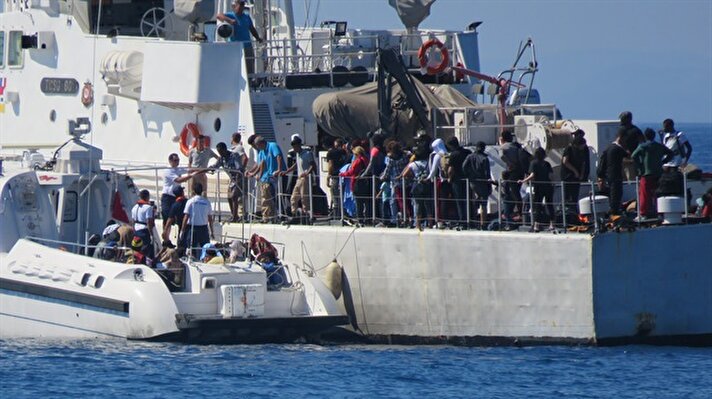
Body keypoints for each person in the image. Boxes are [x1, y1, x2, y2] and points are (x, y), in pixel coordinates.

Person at [632, 128, 674, 219]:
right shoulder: (659, 146)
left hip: (647, 174)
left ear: (645, 136)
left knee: (644, 194)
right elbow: (671, 153)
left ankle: (643, 213)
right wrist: (663, 162)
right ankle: (658, 211)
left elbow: (634, 155)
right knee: (658, 193)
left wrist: (640, 166)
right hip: (659, 173)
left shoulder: (643, 146)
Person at [217, 0, 263, 75]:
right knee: (236, 67)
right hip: (235, 47)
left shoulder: (246, 17)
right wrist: (229, 20)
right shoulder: (230, 15)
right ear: (235, 5)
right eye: (241, 4)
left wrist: (257, 38)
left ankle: (250, 82)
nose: (242, 6)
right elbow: (219, 16)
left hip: (247, 46)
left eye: (243, 4)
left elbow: (252, 29)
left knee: (249, 67)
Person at [246, 135, 285, 223]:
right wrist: (252, 172)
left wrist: (279, 169)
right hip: (267, 177)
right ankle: (269, 217)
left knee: (275, 196)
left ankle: (279, 215)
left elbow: (278, 156)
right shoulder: (262, 152)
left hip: (276, 176)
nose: (256, 148)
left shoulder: (272, 146)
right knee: (268, 197)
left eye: (257, 146)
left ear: (261, 143)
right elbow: (260, 164)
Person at [281, 135, 316, 221]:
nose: (294, 148)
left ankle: (307, 215)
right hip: (298, 179)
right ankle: (294, 214)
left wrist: (307, 173)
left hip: (305, 178)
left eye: (295, 146)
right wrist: (287, 171)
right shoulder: (298, 154)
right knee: (294, 197)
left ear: (299, 145)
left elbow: (313, 165)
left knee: (304, 198)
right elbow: (296, 165)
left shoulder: (307, 154)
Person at [520, 147, 555, 232]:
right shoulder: (547, 163)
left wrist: (523, 181)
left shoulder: (533, 163)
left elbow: (532, 175)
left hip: (538, 187)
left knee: (537, 206)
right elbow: (551, 176)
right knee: (550, 205)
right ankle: (552, 224)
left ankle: (536, 225)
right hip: (548, 186)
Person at [398, 146, 432, 230]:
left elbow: (404, 175)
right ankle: (430, 223)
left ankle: (418, 224)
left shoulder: (413, 164)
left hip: (417, 185)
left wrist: (412, 177)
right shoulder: (428, 163)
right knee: (428, 204)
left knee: (418, 205)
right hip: (427, 184)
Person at [597, 128, 628, 215]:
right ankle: (614, 213)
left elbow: (603, 161)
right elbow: (629, 156)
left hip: (608, 175)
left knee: (612, 193)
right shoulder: (618, 149)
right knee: (616, 194)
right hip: (616, 175)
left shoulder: (608, 148)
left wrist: (601, 175)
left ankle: (612, 210)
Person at [211, 142, 245, 222]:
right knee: (229, 197)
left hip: (238, 177)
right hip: (232, 179)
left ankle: (235, 217)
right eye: (219, 152)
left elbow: (239, 168)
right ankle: (233, 215)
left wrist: (237, 181)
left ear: (225, 149)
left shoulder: (234, 156)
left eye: (221, 151)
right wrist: (210, 169)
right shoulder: (221, 158)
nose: (220, 153)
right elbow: (215, 166)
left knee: (234, 196)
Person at [462, 141, 492, 229]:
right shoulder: (484, 158)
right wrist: (488, 183)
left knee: (474, 202)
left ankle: (473, 222)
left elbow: (464, 167)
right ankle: (483, 224)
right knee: (483, 204)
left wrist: (468, 176)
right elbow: (487, 173)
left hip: (472, 182)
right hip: (482, 182)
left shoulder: (469, 157)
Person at [180, 182, 214, 258]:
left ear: (193, 191)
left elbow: (186, 217)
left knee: (191, 250)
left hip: (193, 229)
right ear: (202, 191)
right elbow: (210, 218)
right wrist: (212, 231)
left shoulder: (190, 202)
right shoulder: (207, 202)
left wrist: (182, 230)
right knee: (206, 249)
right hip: (204, 229)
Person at [380, 140, 410, 226]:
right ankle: (407, 218)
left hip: (396, 183)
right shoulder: (405, 155)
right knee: (407, 201)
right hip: (407, 182)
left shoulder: (391, 160)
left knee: (393, 201)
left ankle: (394, 219)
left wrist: (381, 177)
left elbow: (387, 172)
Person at [498, 130, 527, 217]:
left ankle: (518, 213)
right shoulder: (517, 146)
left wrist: (510, 164)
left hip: (512, 172)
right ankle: (515, 211)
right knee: (515, 192)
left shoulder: (504, 147)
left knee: (513, 192)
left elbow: (502, 156)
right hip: (521, 171)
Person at [445, 136, 471, 227]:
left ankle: (462, 221)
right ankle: (471, 219)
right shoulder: (468, 152)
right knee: (469, 200)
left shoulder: (453, 154)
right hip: (468, 179)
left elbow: (450, 169)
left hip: (457, 180)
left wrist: (449, 178)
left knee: (459, 201)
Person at [561, 135, 590, 214]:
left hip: (577, 177)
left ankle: (574, 211)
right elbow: (565, 161)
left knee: (575, 195)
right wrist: (575, 171)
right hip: (568, 175)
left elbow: (584, 163)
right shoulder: (569, 149)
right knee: (567, 195)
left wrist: (582, 174)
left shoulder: (582, 151)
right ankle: (566, 212)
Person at [339, 146, 369, 223]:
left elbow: (351, 172)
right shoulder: (366, 159)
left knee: (359, 203)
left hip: (357, 183)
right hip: (366, 184)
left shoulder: (358, 161)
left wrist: (342, 174)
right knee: (366, 202)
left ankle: (360, 220)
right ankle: (368, 219)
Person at [160, 153, 193, 221]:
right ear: (170, 161)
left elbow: (190, 170)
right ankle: (166, 231)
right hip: (167, 197)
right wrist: (191, 175)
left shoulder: (178, 169)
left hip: (176, 197)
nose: (177, 162)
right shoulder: (168, 171)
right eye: (175, 160)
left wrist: (203, 170)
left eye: (178, 160)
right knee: (167, 218)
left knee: (179, 217)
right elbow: (178, 180)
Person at [618, 111, 644, 180]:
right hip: (623, 159)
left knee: (630, 179)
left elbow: (642, 143)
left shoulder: (634, 130)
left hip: (630, 159)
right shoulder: (622, 129)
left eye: (622, 118)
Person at [131, 189, 155, 259]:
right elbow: (149, 221)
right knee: (147, 251)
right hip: (144, 231)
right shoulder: (148, 208)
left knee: (137, 250)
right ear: (147, 197)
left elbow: (132, 221)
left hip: (136, 230)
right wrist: (151, 234)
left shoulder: (134, 207)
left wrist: (134, 231)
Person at [326, 138, 348, 216]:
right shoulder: (345, 152)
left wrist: (328, 176)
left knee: (334, 194)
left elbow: (330, 165)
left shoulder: (331, 152)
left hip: (335, 176)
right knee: (342, 196)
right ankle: (343, 213)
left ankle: (336, 215)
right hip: (345, 177)